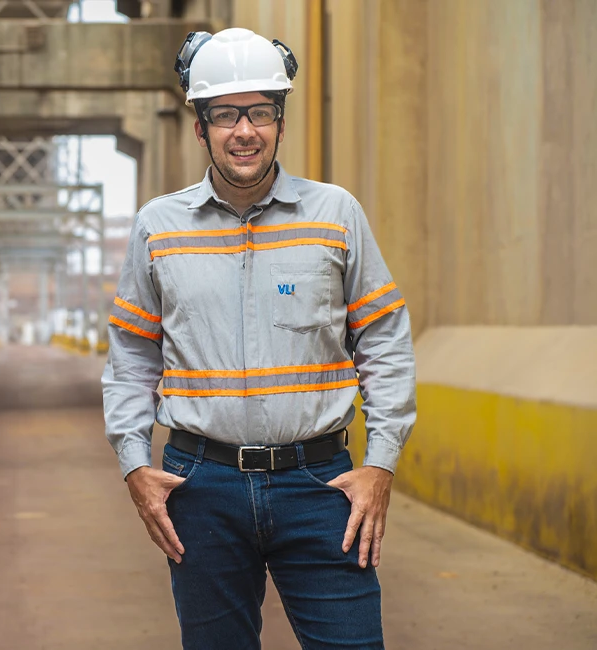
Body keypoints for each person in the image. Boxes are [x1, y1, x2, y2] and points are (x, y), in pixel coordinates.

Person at [101, 27, 416, 650]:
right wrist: (134, 464)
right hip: (201, 488)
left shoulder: (335, 215)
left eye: (260, 112)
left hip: (320, 485)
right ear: (201, 128)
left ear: (280, 121)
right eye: (225, 114)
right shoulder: (158, 227)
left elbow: (384, 341)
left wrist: (380, 462)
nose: (244, 130)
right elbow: (132, 356)